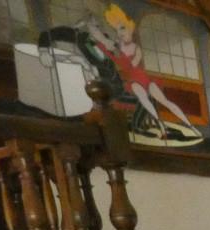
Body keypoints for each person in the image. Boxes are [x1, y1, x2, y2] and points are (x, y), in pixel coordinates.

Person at [83, 4, 200, 141]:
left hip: (145, 79)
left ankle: (191, 127)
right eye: (118, 29)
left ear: (130, 28)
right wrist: (110, 45)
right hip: (134, 82)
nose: (121, 33)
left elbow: (132, 63)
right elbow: (102, 41)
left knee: (165, 101)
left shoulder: (134, 47)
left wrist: (118, 51)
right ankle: (162, 128)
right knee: (144, 100)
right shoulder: (114, 45)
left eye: (123, 28)